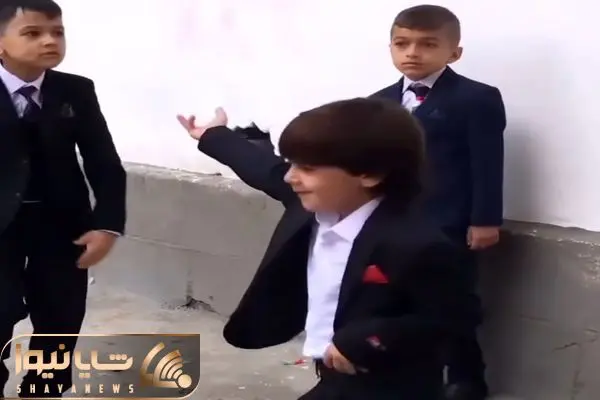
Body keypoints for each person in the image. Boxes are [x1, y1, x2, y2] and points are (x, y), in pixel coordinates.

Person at [177, 98, 480, 399]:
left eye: (307, 168)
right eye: (292, 163)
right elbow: (263, 169)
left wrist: (367, 339)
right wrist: (213, 135)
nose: (290, 176)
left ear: (370, 174)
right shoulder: (308, 206)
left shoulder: (417, 243)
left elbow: (453, 318)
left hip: (388, 386)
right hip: (332, 376)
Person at [370, 5, 507, 400]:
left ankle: (465, 379)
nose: (412, 53)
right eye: (402, 44)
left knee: (452, 303)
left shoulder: (475, 98)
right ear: (391, 48)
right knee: (392, 300)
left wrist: (485, 219)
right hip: (393, 223)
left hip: (449, 224)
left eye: (428, 44)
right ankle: (402, 374)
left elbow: (487, 161)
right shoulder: (377, 104)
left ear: (454, 53)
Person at [0, 0, 126, 397]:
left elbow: (104, 162)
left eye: (57, 32)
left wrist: (107, 226)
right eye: (33, 33)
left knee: (60, 318)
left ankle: (44, 387)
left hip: (61, 226)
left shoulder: (75, 90)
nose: (49, 41)